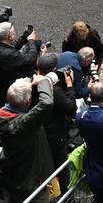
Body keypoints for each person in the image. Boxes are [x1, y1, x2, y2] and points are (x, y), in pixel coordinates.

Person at [0, 74, 55, 203]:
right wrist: (44, 81)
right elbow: (46, 104)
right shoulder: (22, 123)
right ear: (27, 103)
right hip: (32, 183)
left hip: (13, 179)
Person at [37, 53, 76, 185]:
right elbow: (70, 108)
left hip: (39, 133)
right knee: (61, 167)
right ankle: (63, 197)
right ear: (54, 70)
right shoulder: (54, 90)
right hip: (55, 135)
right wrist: (70, 86)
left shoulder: (32, 82)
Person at [0, 21, 41, 108]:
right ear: (10, 36)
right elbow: (31, 59)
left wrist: (24, 36)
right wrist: (31, 41)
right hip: (10, 89)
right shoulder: (8, 55)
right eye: (13, 32)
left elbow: (11, 48)